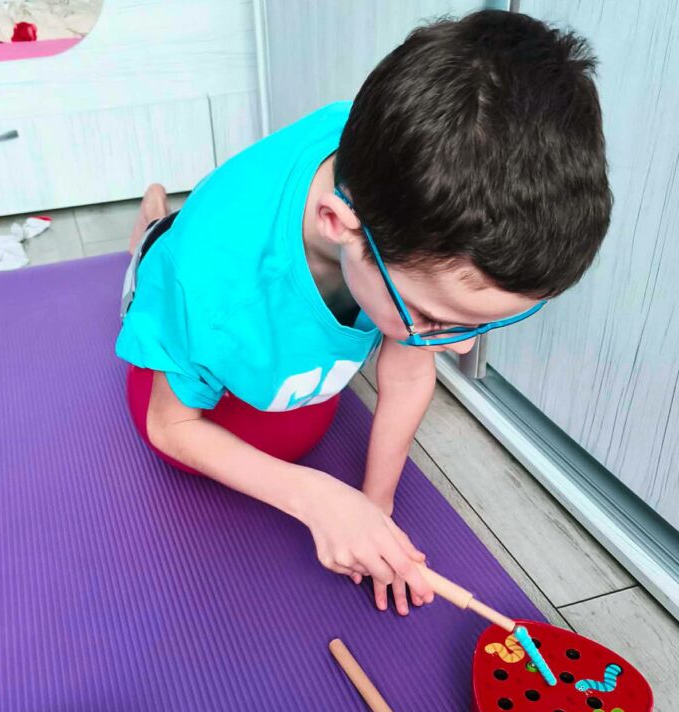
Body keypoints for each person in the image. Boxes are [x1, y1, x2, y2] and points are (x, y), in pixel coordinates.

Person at [117, 10, 611, 615]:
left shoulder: (410, 187)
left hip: (275, 269)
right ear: (339, 224)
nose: (459, 347)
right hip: (197, 265)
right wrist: (314, 497)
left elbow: (408, 367)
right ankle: (151, 225)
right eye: (436, 319)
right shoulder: (214, 281)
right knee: (155, 272)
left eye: (480, 322)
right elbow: (169, 426)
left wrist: (376, 507)